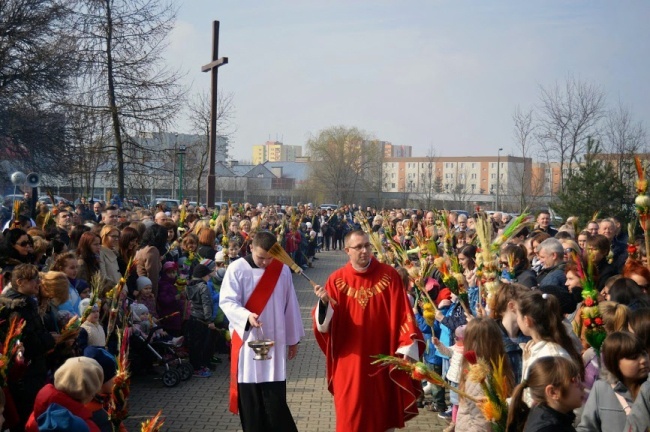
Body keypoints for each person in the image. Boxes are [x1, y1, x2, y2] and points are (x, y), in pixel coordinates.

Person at [312, 229, 424, 432]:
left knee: (380, 414)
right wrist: (323, 304)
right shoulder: (336, 279)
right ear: (347, 250)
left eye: (367, 246)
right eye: (359, 247)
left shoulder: (389, 275)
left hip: (382, 358)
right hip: (349, 361)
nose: (364, 251)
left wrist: (406, 347)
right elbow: (323, 325)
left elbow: (403, 313)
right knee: (350, 416)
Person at [220, 231, 304, 432]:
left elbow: (290, 306)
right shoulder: (236, 269)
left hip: (274, 342)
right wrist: (245, 316)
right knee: (251, 404)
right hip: (247, 343)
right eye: (261, 257)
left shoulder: (282, 270)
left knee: (275, 403)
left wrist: (293, 340)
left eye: (270, 258)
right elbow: (227, 301)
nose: (265, 263)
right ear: (250, 248)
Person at [578, 332, 649, 432]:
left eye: (644, 353)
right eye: (634, 357)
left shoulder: (647, 388)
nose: (643, 360)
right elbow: (587, 427)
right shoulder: (601, 388)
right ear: (614, 362)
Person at [506, 356, 583, 432]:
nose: (582, 386)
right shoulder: (549, 428)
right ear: (553, 392)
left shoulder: (555, 418)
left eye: (579, 378)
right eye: (574, 380)